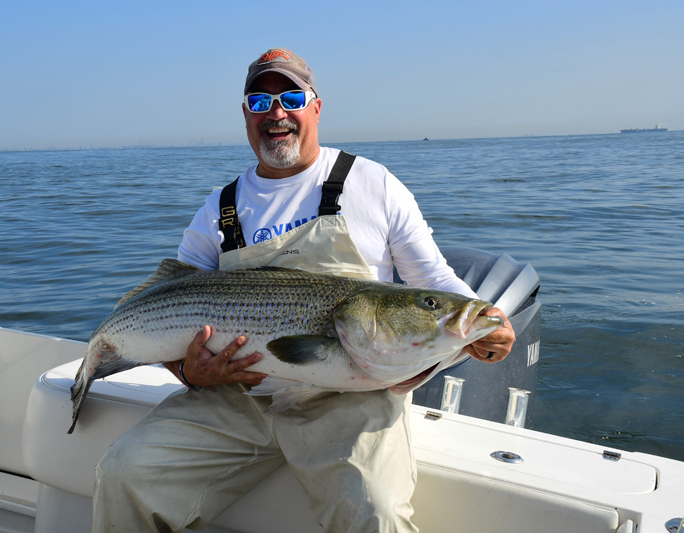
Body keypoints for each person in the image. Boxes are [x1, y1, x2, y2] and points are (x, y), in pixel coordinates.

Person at [92, 48, 515, 533]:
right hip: (237, 397)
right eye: (260, 102)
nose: (276, 113)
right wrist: (188, 371)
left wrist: (487, 323)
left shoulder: (372, 183)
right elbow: (170, 305)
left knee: (375, 512)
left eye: (291, 97)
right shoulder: (219, 209)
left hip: (352, 400)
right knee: (124, 473)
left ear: (316, 106)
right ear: (246, 116)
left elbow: (434, 284)